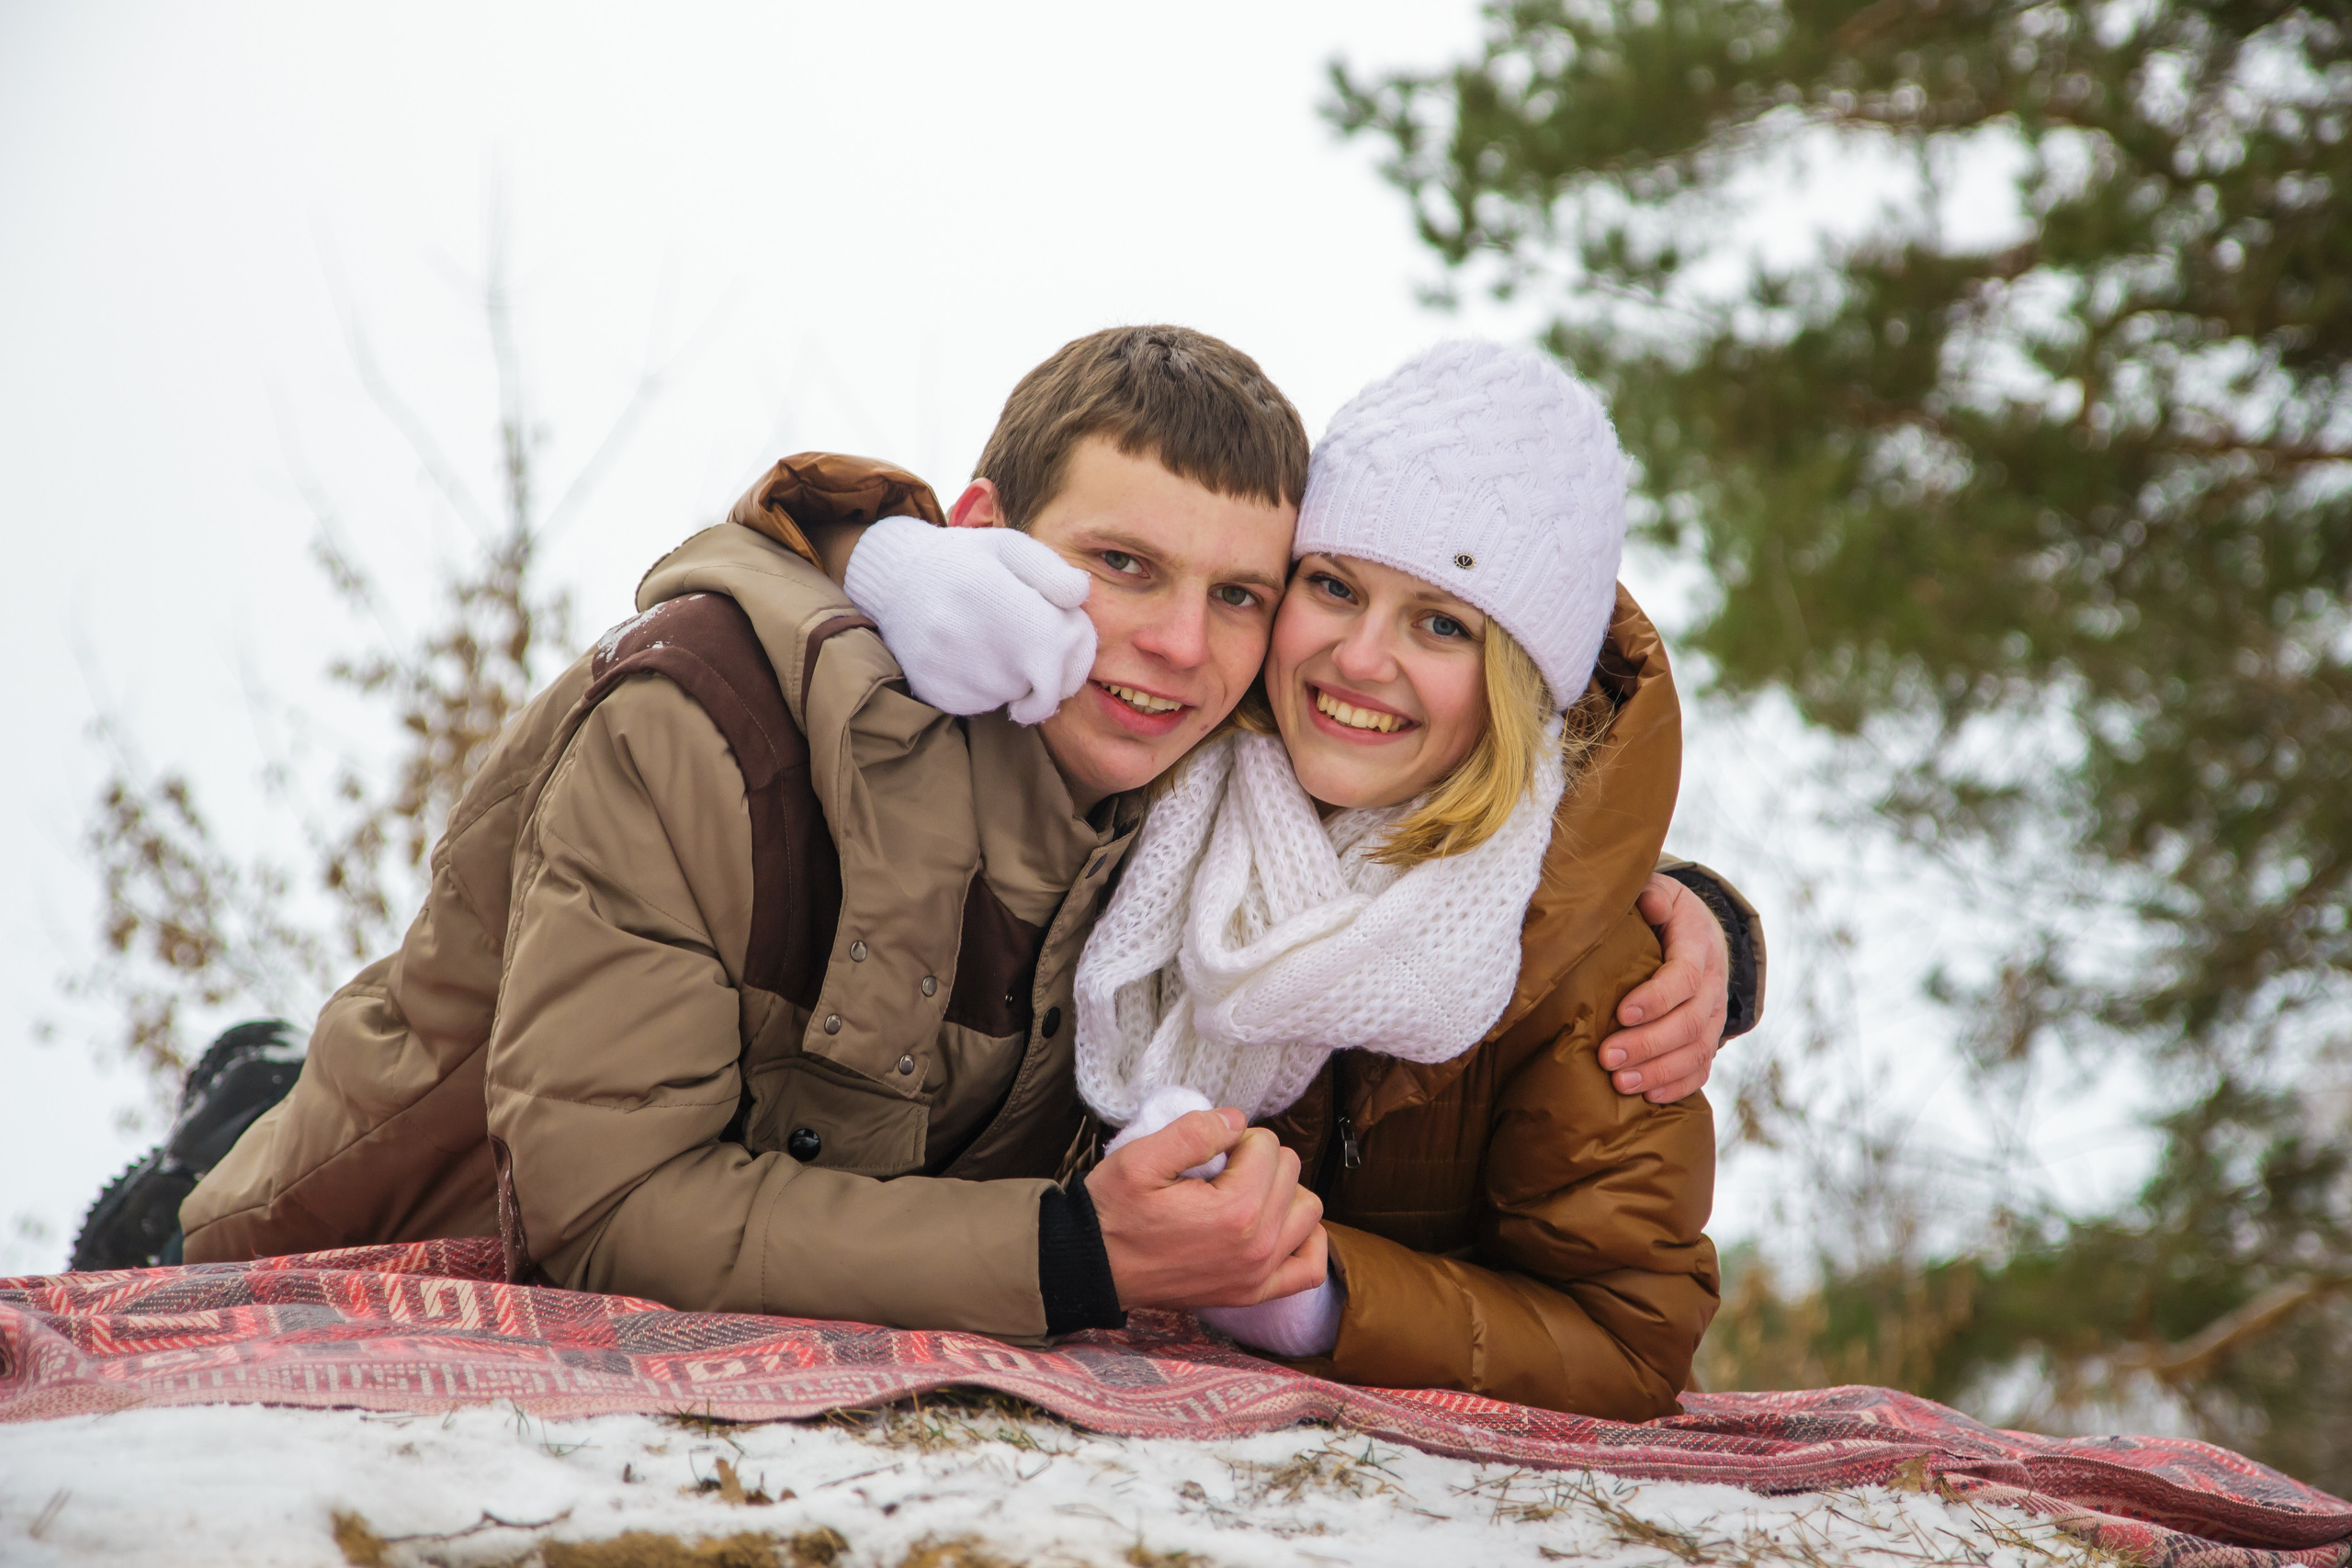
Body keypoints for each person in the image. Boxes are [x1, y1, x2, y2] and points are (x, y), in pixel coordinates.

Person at [79, 327, 1758, 1355]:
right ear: (981, 542)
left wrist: (1687, 918)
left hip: (823, 1169)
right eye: (1121, 565)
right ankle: (228, 1112)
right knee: (247, 1172)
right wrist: (856, 560)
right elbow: (600, 1206)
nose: (1184, 644)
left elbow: (1491, 819)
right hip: (416, 1176)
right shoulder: (732, 716)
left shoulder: (1217, 784)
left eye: (1241, 591)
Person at [876, 341, 1718, 1416]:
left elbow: (1629, 1340)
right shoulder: (1167, 767)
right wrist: (888, 566)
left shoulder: (1597, 971)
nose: (1360, 660)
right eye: (1333, 587)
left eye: (1441, 624)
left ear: (1515, 683)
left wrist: (1318, 1295)